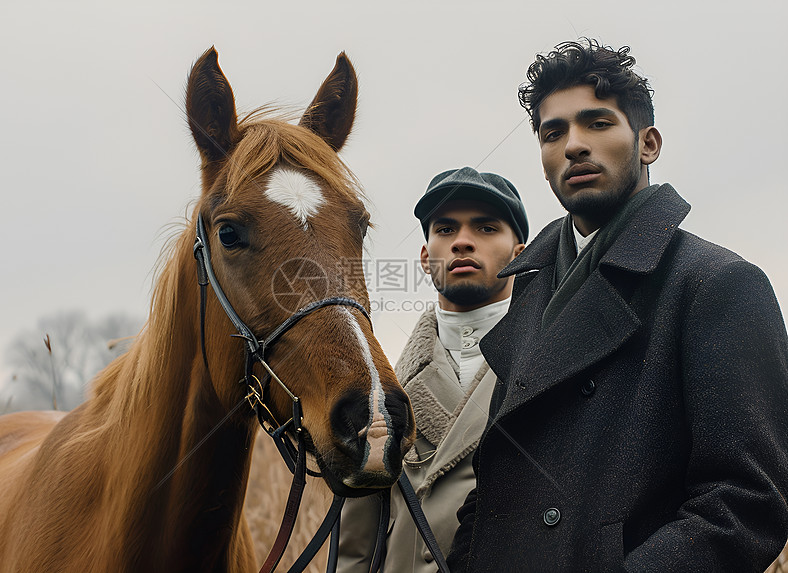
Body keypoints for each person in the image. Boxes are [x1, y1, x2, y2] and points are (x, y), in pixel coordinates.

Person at [446, 38, 788, 572]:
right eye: (552, 132)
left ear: (648, 143)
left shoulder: (717, 284)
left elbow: (746, 502)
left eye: (598, 123)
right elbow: (497, 487)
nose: (573, 145)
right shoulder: (530, 287)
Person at [337, 167, 528, 572]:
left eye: (486, 228)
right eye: (444, 229)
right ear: (426, 258)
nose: (461, 241)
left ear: (520, 254)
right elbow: (356, 547)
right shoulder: (382, 391)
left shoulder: (554, 370)